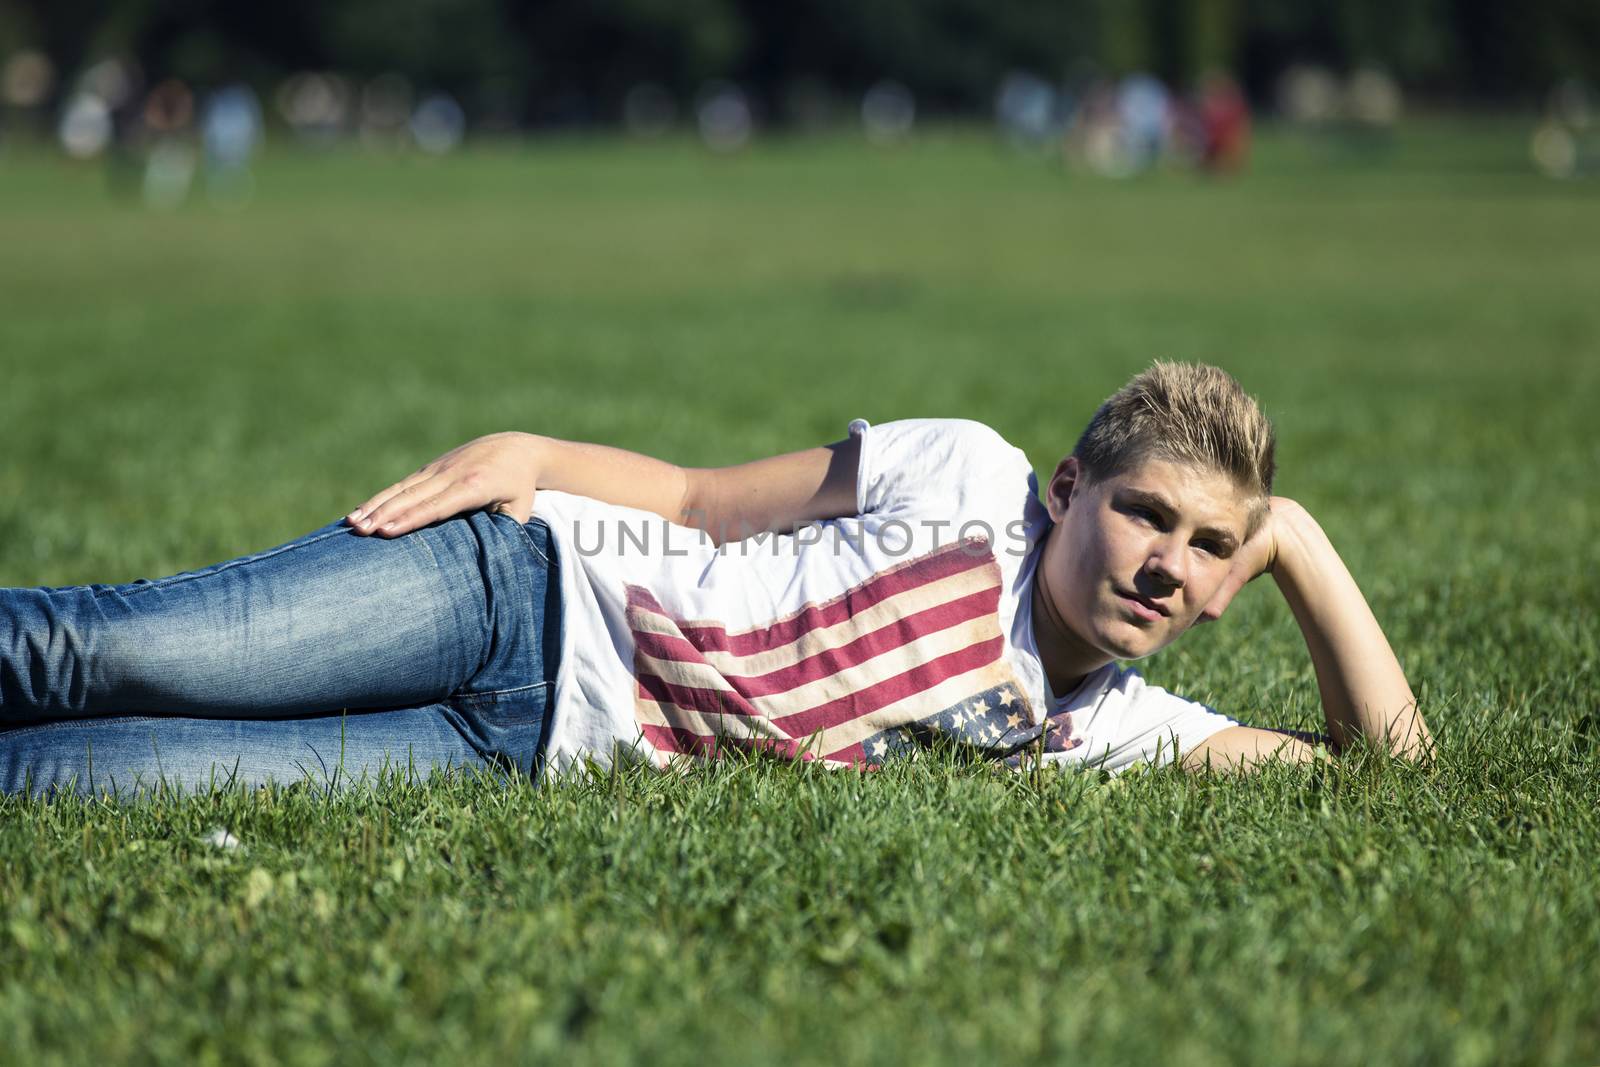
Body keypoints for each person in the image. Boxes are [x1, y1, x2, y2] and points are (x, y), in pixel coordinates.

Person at [0, 362, 1429, 797]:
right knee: (97, 657)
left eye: (1209, 546)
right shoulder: (971, 475)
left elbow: (1392, 768)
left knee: (80, 781)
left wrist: (1295, 537)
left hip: (518, 746)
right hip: (520, 587)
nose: (1171, 566)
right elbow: (696, 500)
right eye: (1145, 516)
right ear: (1067, 493)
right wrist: (536, 448)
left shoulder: (1106, 732)